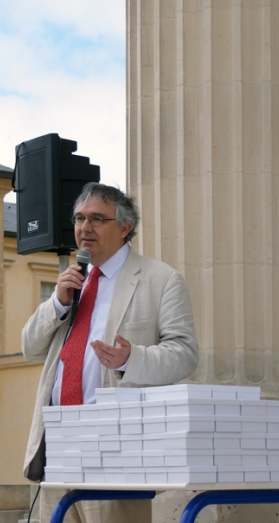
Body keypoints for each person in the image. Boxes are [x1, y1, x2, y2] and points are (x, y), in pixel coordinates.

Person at [22, 183, 199, 523]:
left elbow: (185, 353)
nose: (84, 228)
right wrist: (56, 302)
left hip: (115, 447)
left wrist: (133, 359)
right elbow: (30, 347)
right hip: (59, 443)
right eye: (79, 218)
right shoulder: (73, 282)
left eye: (96, 219)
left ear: (124, 227)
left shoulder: (160, 280)